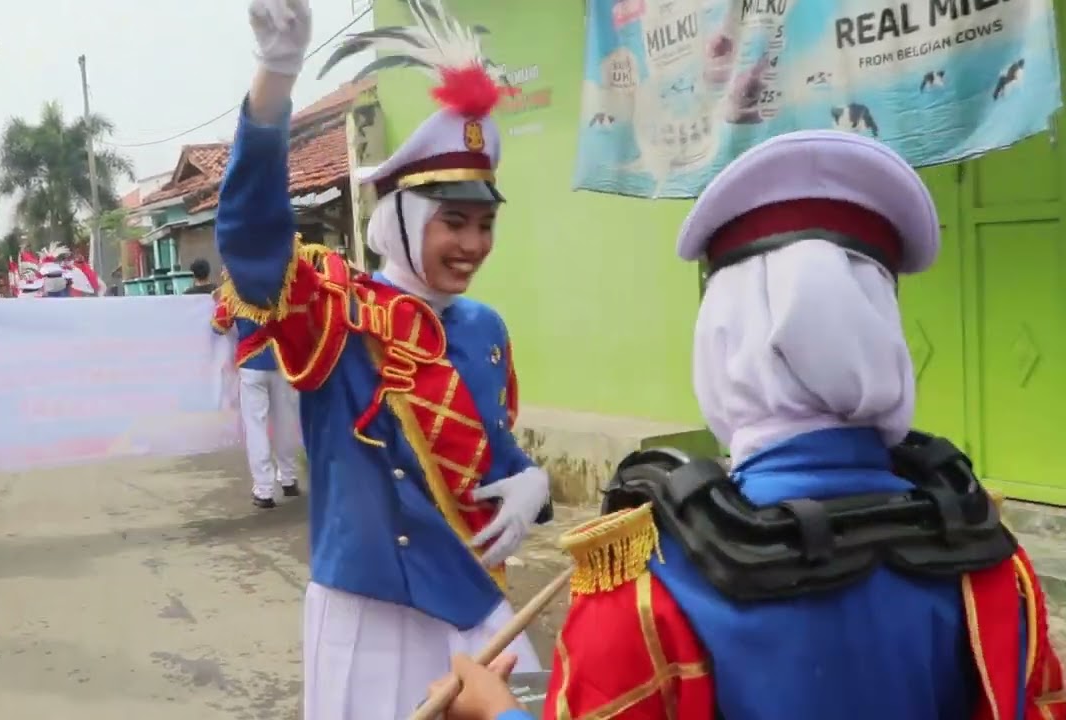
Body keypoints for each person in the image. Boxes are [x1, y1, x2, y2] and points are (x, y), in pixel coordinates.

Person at [426, 130, 1066, 720]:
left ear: (722, 342)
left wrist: (495, 711)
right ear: (882, 333)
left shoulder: (649, 590)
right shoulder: (987, 561)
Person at [214, 0, 552, 716]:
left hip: (474, 604)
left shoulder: (484, 326)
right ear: (400, 219)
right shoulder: (335, 310)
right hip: (371, 619)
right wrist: (274, 78)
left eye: (486, 224)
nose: (472, 245)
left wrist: (532, 484)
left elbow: (494, 454)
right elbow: (251, 239)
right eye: (453, 222)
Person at [211, 275, 302, 509]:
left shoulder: (235, 287)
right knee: (285, 423)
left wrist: (220, 299)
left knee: (256, 427)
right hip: (283, 361)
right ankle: (289, 478)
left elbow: (219, 325)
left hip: (251, 364)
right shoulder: (284, 281)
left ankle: (264, 490)